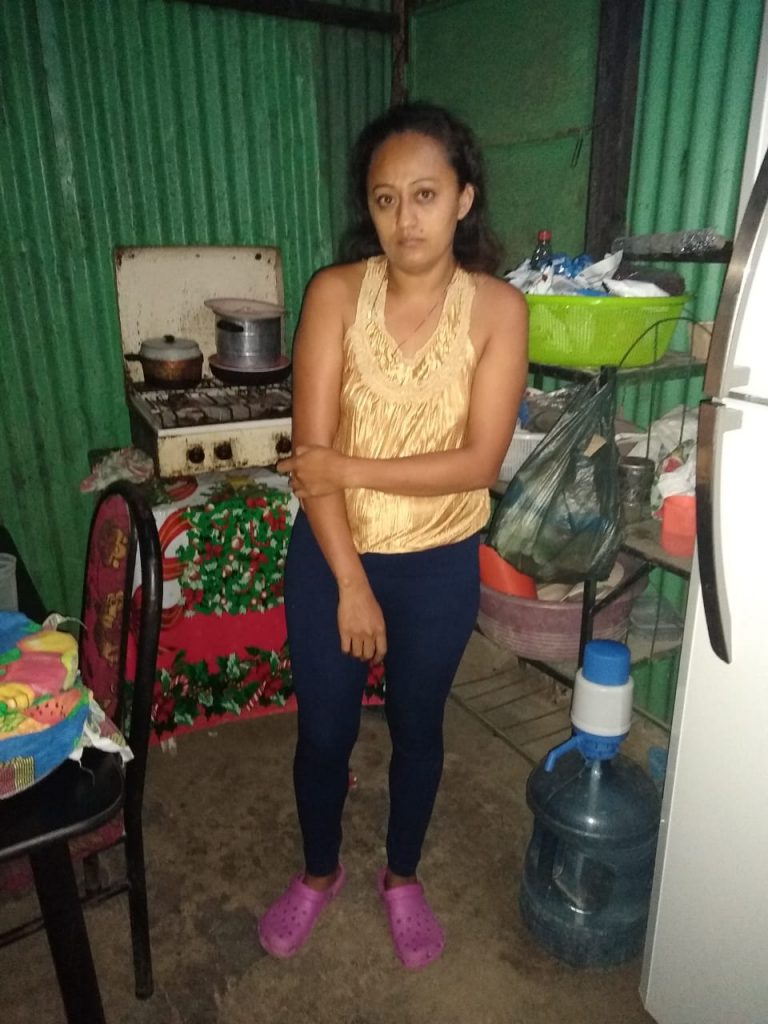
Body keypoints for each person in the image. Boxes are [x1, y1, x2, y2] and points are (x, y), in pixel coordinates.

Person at [259, 101, 528, 970]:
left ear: (463, 199)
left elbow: (478, 462)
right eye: (385, 199)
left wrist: (346, 465)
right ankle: (319, 872)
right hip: (332, 556)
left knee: (418, 728)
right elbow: (312, 466)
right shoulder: (335, 294)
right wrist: (351, 583)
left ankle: (402, 876)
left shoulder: (498, 310)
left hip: (438, 566)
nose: (405, 218)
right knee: (324, 733)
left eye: (425, 194)